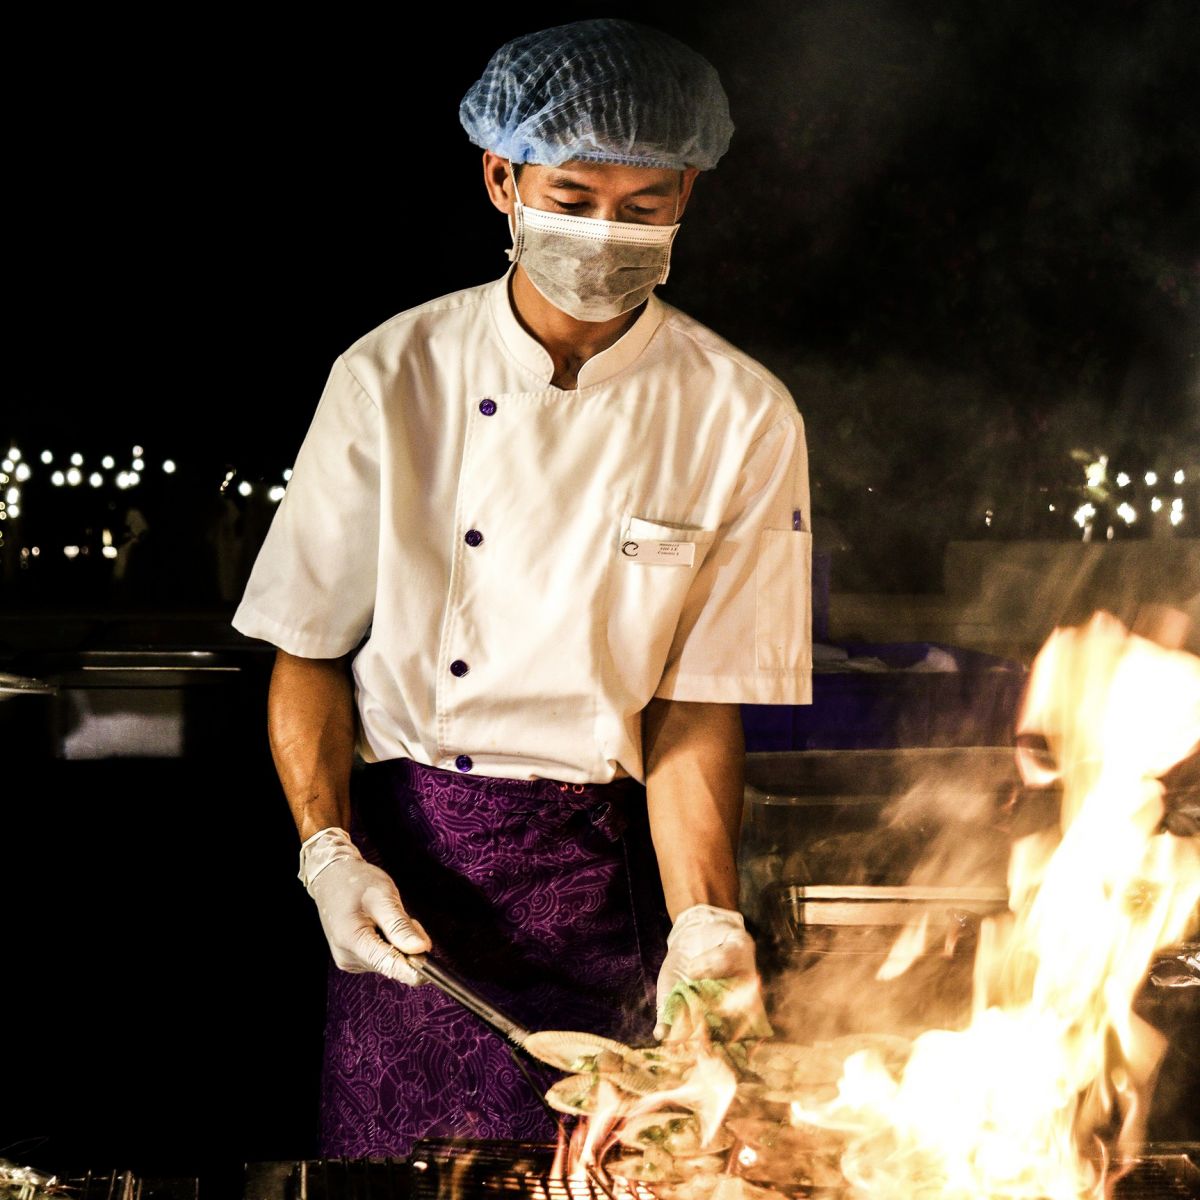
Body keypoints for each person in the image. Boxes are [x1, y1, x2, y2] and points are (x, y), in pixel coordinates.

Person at [231, 16, 812, 1157]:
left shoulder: (742, 414)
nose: (606, 234)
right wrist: (329, 854)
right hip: (410, 886)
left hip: (605, 881)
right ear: (502, 179)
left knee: (610, 1166)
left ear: (688, 194)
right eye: (574, 197)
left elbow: (695, 704)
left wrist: (705, 920)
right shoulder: (392, 374)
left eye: (643, 206)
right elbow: (307, 650)